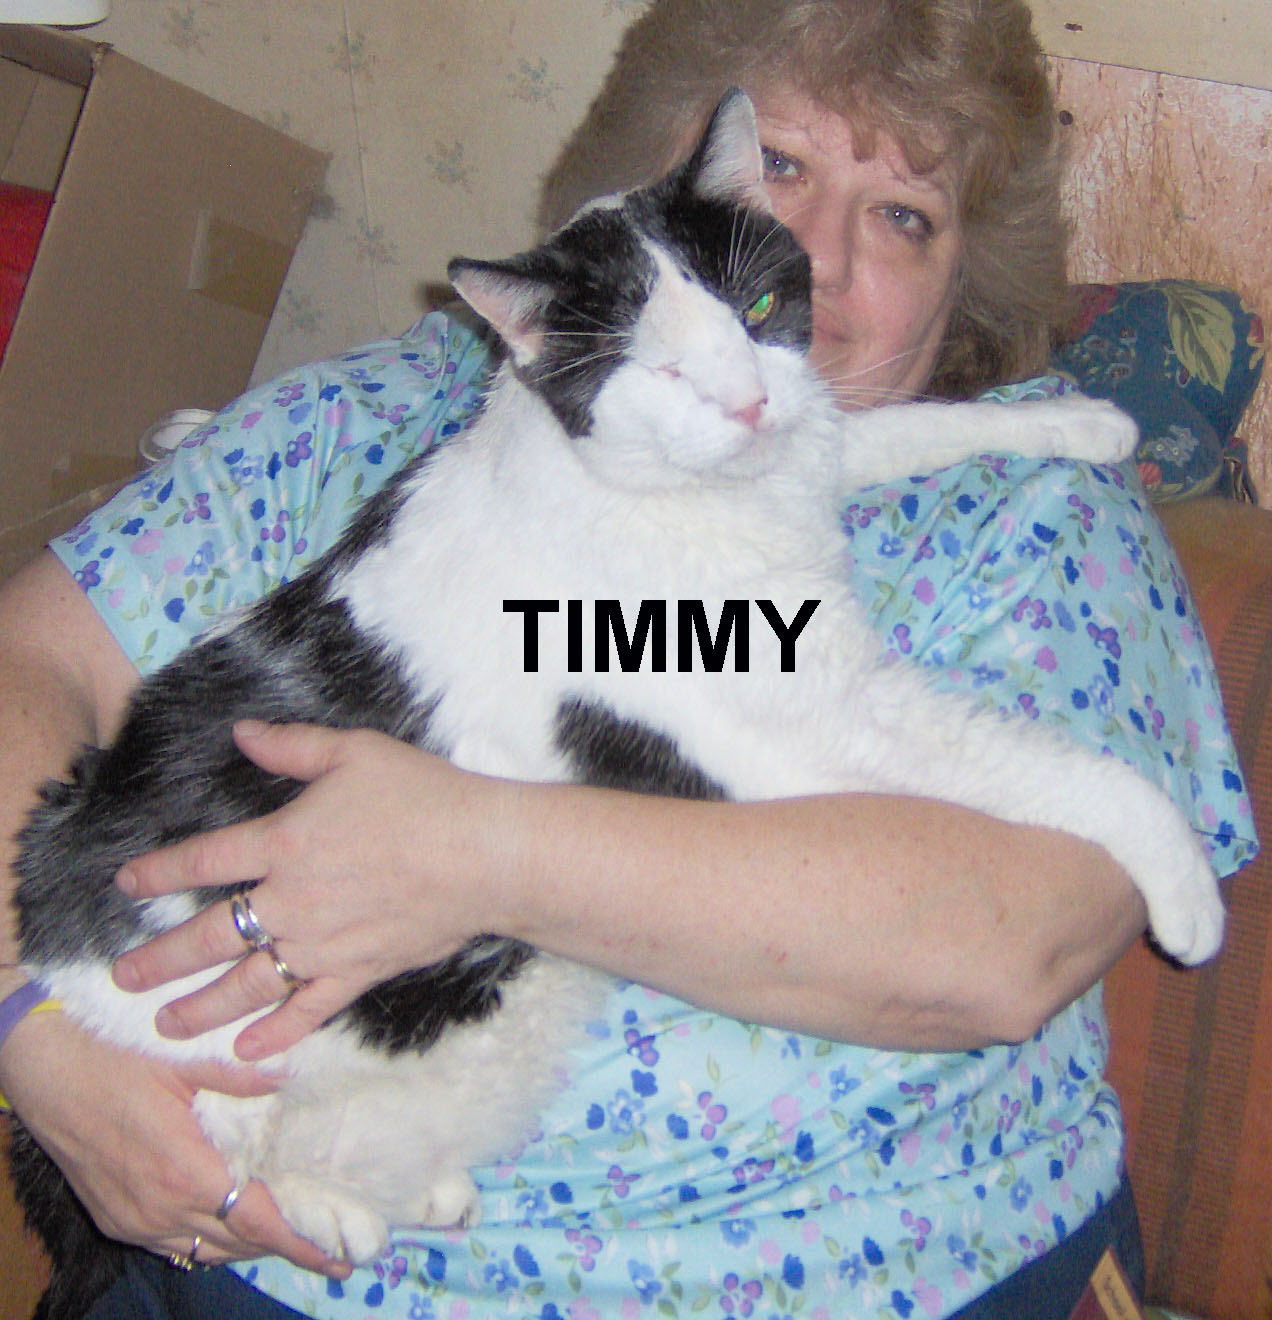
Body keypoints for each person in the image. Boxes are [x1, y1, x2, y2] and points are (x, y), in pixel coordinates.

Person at [0, 0, 1254, 1316]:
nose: (818, 258)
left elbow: (1004, 944)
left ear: (964, 280)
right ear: (659, 169)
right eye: (782, 164)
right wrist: (28, 1029)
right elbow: (28, 658)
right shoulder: (364, 412)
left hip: (829, 1276)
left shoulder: (1036, 512)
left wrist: (476, 853)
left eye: (903, 217)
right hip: (244, 1251)